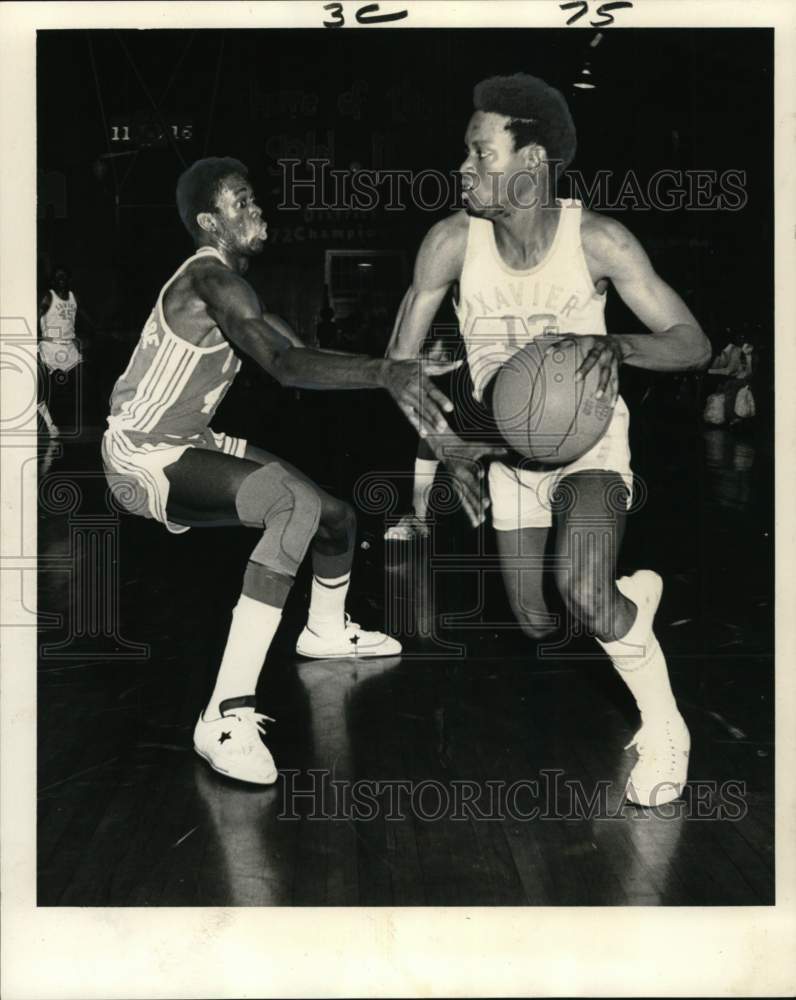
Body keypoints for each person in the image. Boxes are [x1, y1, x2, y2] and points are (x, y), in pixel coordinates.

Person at [386, 74, 711, 807]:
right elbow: (398, 370)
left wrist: (620, 347)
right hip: (504, 455)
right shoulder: (447, 243)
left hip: (588, 450)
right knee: (536, 620)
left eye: (480, 154)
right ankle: (633, 606)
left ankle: (665, 729)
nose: (463, 170)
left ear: (531, 161)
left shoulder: (597, 240)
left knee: (583, 588)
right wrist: (451, 446)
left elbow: (693, 342)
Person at [102, 157, 461, 785]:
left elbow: (305, 356)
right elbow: (284, 368)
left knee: (333, 517)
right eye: (243, 203)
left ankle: (323, 629)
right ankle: (224, 714)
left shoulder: (239, 289)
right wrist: (386, 373)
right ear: (210, 221)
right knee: (290, 506)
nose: (258, 210)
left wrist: (390, 369)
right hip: (140, 453)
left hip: (191, 439)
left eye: (255, 198)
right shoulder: (210, 282)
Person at [37, 267, 83, 437]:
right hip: (50, 346)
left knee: (84, 381)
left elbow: (82, 318)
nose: (61, 279)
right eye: (57, 277)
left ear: (69, 279)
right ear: (53, 281)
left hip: (69, 347)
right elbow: (36, 317)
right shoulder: (48, 297)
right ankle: (51, 424)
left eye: (64, 276)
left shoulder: (73, 297)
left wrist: (95, 332)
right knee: (43, 388)